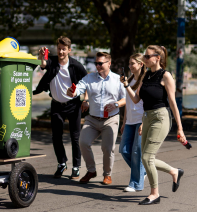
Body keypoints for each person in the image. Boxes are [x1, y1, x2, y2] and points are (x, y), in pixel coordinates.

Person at [121, 45, 185, 205]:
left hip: (161, 117)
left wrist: (180, 127)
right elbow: (136, 100)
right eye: (144, 55)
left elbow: (172, 103)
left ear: (158, 58)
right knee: (145, 158)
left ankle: (154, 194)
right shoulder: (146, 76)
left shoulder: (166, 76)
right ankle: (174, 171)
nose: (144, 58)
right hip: (147, 117)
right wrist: (126, 86)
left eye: (147, 56)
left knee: (147, 157)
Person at [66, 52, 126, 185]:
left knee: (107, 148)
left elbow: (125, 99)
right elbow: (79, 88)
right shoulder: (90, 77)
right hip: (92, 119)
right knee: (83, 142)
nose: (97, 66)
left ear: (109, 63)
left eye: (100, 63)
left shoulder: (117, 79)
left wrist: (116, 104)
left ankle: (107, 174)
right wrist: (73, 92)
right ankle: (91, 170)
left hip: (111, 119)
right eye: (96, 63)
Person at [33, 36, 88, 179]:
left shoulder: (76, 66)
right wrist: (41, 57)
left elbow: (87, 82)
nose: (61, 52)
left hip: (73, 105)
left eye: (64, 49)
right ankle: (62, 163)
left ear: (69, 50)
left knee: (75, 137)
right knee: (56, 137)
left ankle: (76, 167)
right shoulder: (52, 61)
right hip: (57, 105)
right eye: (59, 49)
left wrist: (86, 100)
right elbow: (44, 64)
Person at [119, 53, 147, 192]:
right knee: (123, 150)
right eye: (129, 64)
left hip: (141, 120)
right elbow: (128, 104)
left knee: (136, 152)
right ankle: (142, 172)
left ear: (141, 64)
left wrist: (143, 122)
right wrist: (124, 122)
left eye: (132, 64)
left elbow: (137, 99)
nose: (130, 66)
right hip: (130, 121)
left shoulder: (145, 80)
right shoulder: (129, 80)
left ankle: (135, 184)